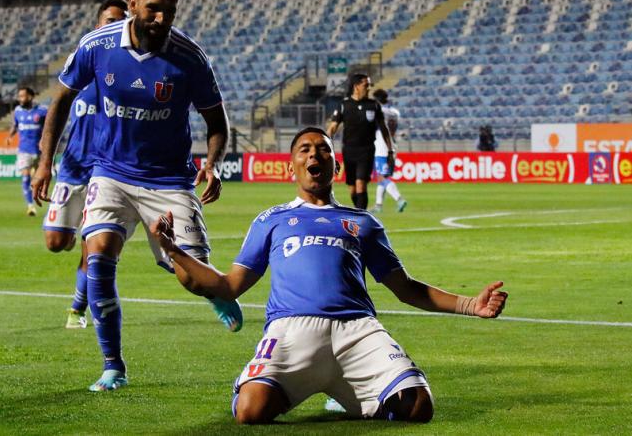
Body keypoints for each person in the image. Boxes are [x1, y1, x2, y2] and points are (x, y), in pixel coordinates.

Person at [150, 127, 508, 425]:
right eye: (304, 149)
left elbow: (406, 288)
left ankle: (351, 393)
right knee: (250, 410)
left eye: (322, 149)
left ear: (334, 165)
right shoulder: (270, 220)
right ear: (292, 167)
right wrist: (174, 250)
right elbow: (227, 286)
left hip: (358, 331)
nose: (314, 155)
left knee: (418, 407)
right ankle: (329, 390)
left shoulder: (364, 223)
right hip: (291, 331)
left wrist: (469, 304)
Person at [32, 0, 243, 392]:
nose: (161, 18)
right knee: (98, 260)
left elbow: (217, 123)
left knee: (187, 275)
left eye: (169, 10)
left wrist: (213, 162)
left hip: (168, 180)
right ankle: (114, 366)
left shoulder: (190, 57)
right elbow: (60, 101)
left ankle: (214, 291)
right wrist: (44, 161)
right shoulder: (98, 45)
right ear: (132, 4)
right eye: (153, 8)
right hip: (110, 172)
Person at [41, 0, 128, 330]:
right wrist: (44, 163)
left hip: (105, 173)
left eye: (121, 20)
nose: (114, 25)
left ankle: (77, 309)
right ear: (97, 24)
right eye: (109, 20)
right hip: (72, 168)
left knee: (95, 247)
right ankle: (79, 233)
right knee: (55, 242)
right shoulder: (81, 64)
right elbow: (58, 109)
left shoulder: (129, 70)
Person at [326, 74, 394, 210]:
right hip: (349, 151)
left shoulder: (373, 105)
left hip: (367, 150)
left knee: (360, 184)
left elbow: (384, 129)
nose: (368, 88)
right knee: (352, 188)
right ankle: (360, 212)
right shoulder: (344, 105)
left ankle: (362, 217)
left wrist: (390, 150)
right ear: (356, 86)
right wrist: (326, 144)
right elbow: (333, 127)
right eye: (366, 85)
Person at [7, 86, 47, 216]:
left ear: (30, 96)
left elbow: (50, 128)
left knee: (41, 178)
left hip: (40, 151)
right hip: (24, 150)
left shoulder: (42, 111)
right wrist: (10, 136)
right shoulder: (18, 111)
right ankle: (30, 206)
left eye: (23, 96)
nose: (20, 99)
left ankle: (44, 198)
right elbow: (16, 125)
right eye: (19, 96)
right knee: (25, 177)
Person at [371, 89, 406, 213]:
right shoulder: (395, 112)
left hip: (381, 146)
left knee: (381, 178)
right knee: (383, 176)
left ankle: (399, 199)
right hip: (392, 146)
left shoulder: (378, 111)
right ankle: (378, 205)